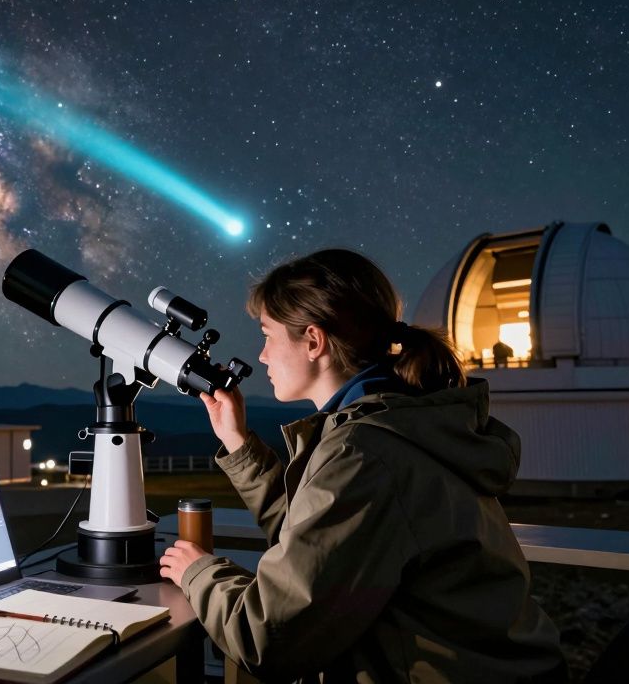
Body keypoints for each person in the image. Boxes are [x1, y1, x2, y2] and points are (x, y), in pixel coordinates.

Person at [158, 249, 566, 683]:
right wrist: (238, 443)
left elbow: (267, 636)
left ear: (314, 341)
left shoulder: (364, 451)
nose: (261, 356)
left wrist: (198, 573)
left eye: (268, 336)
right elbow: (323, 544)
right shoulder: (398, 423)